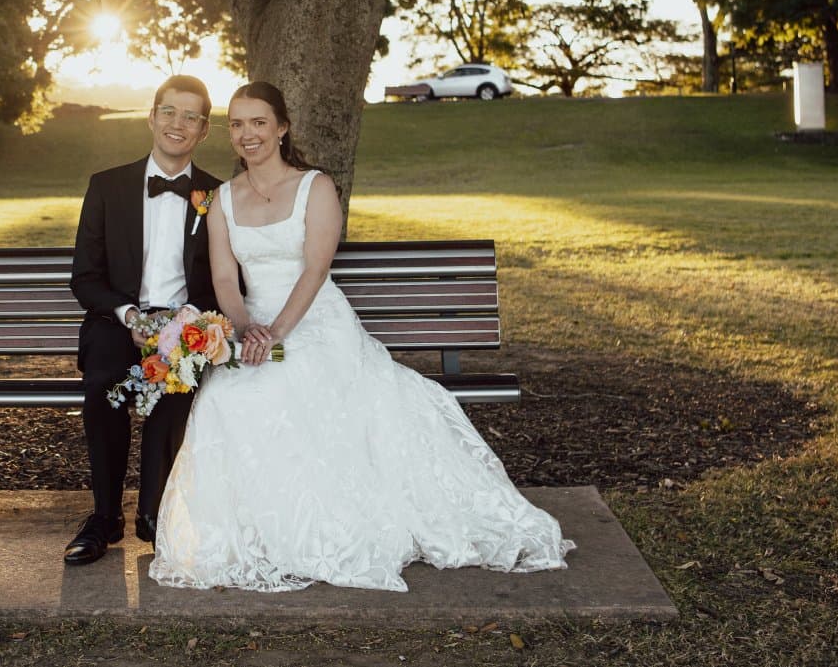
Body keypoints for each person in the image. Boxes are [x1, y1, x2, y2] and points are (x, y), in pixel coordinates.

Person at [148, 81, 574, 591]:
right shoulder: (221, 198)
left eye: (259, 122)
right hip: (255, 323)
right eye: (237, 124)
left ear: (283, 128)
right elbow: (223, 280)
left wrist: (278, 332)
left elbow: (314, 269)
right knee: (225, 397)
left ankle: (327, 530)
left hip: (316, 322)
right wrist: (245, 330)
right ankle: (263, 532)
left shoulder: (316, 187)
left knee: (296, 385)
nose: (247, 134)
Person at [64, 75, 223, 565]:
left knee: (175, 392)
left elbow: (220, 278)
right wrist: (129, 314)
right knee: (104, 383)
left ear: (203, 130)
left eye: (190, 116)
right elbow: (84, 278)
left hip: (186, 325)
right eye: (169, 112)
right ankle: (104, 517)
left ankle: (154, 516)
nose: (177, 124)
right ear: (151, 117)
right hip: (118, 321)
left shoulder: (216, 195)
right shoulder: (107, 187)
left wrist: (187, 321)